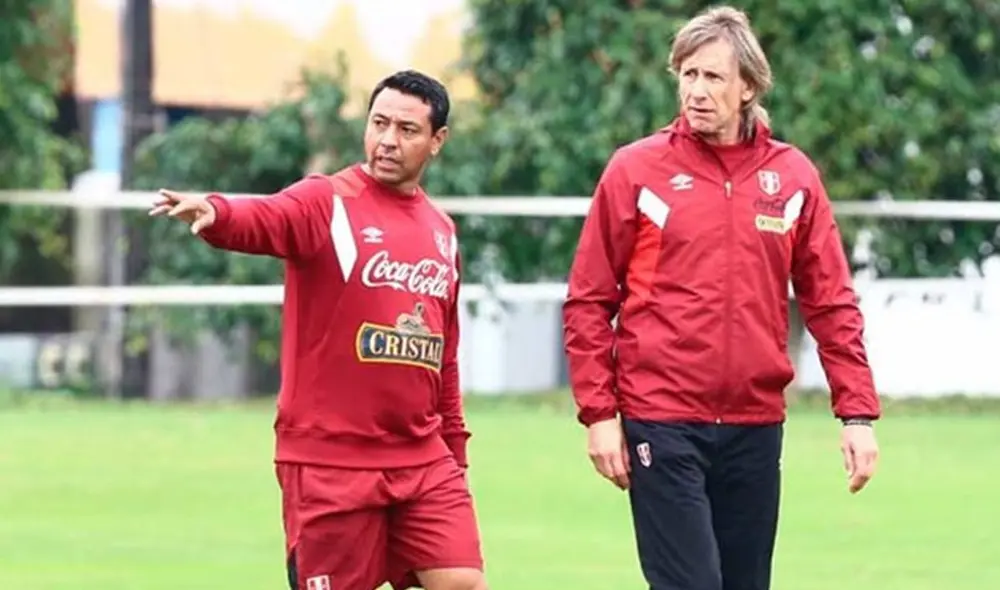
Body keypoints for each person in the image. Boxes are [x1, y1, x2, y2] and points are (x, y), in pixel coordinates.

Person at [561, 6, 881, 590]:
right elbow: (587, 300)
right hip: (661, 418)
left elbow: (831, 302)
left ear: (749, 87)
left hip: (756, 425)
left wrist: (856, 413)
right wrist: (600, 414)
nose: (697, 91)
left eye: (713, 77)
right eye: (688, 75)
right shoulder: (636, 170)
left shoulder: (794, 178)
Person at [149, 70, 488, 590]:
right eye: (379, 124)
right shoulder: (326, 201)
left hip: (422, 460)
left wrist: (455, 455)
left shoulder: (442, 231)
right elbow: (268, 217)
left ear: (437, 140)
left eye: (407, 129)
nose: (388, 141)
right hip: (331, 463)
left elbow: (443, 357)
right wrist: (215, 210)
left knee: (463, 583)